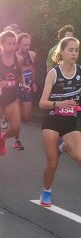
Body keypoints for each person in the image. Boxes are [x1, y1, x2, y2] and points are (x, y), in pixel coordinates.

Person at [39, 37, 81, 207]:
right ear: (62, 52)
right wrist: (58, 103)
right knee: (53, 162)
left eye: (76, 50)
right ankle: (46, 192)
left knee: (79, 155)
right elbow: (42, 103)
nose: (74, 53)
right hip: (52, 121)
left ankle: (64, 146)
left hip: (70, 121)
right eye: (70, 50)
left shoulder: (80, 72)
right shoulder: (54, 73)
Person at [0, 30, 23, 158]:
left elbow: (19, 74)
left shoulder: (19, 59)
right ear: (2, 44)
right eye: (9, 43)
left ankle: (3, 138)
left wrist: (23, 83)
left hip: (11, 98)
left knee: (15, 128)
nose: (13, 47)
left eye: (14, 44)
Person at [14, 32, 37, 150]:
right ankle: (16, 140)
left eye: (28, 44)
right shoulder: (15, 57)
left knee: (27, 118)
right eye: (24, 45)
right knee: (18, 118)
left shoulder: (32, 55)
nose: (27, 47)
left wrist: (33, 82)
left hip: (27, 88)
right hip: (16, 88)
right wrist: (23, 84)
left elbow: (33, 68)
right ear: (18, 44)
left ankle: (9, 124)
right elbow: (19, 74)